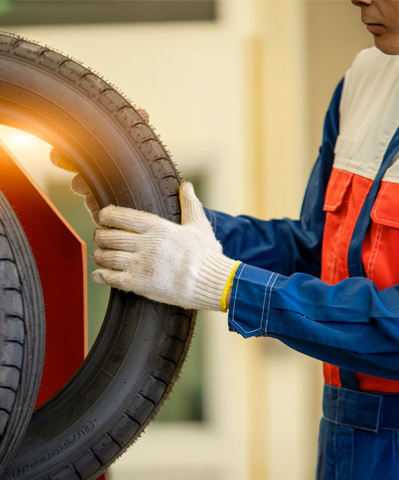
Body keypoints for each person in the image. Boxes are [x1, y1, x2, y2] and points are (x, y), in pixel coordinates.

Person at [56, 0, 399, 478]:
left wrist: (225, 284)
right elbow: (315, 253)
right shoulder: (367, 78)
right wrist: (161, 216)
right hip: (347, 432)